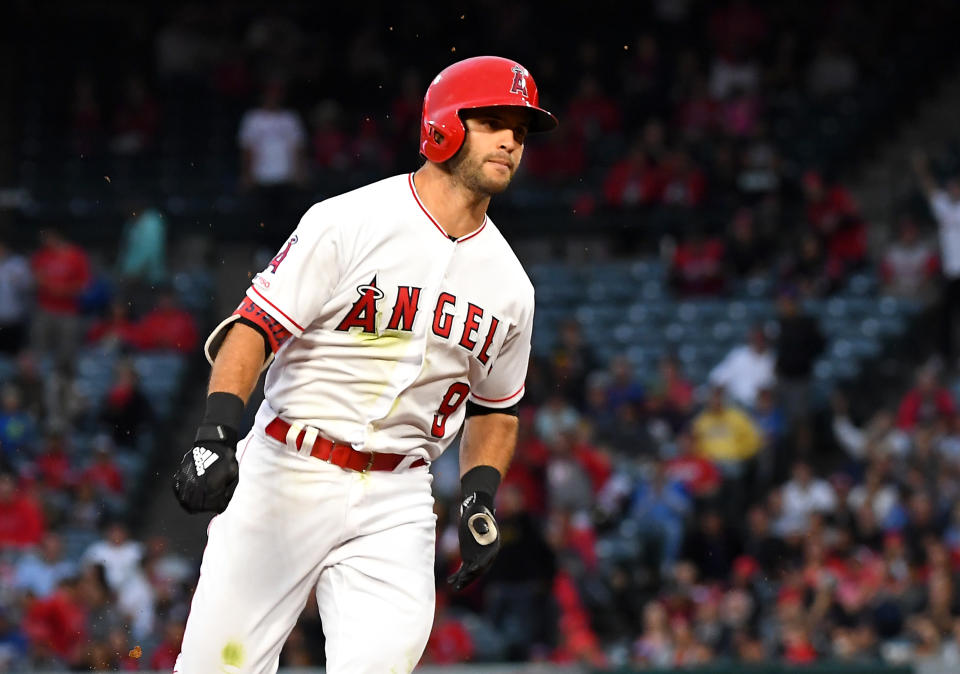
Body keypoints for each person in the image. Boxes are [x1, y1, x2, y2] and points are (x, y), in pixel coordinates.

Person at [171, 56, 558, 672]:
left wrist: (480, 497)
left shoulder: (512, 286)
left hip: (398, 497)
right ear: (444, 127)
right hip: (289, 468)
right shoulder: (349, 221)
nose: (512, 140)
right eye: (494, 121)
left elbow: (497, 408)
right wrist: (215, 431)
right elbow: (255, 328)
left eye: (521, 129)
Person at [913, 151, 960, 365]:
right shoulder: (943, 206)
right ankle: (946, 355)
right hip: (951, 272)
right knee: (945, 317)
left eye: (957, 187)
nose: (954, 190)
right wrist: (922, 170)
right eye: (951, 187)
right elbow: (930, 190)